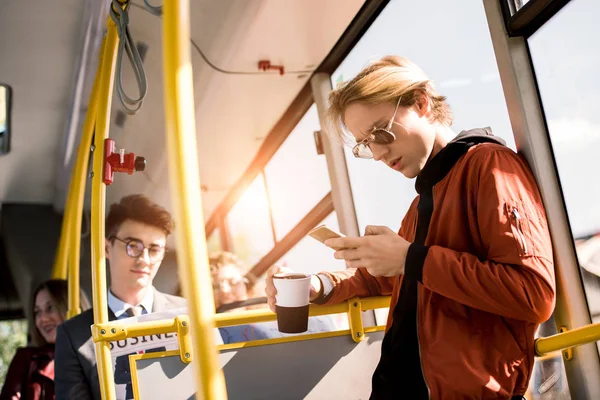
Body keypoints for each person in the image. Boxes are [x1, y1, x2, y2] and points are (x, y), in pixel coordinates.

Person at [265, 56, 555, 399]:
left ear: (421, 103)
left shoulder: (489, 165)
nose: (377, 153)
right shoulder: (423, 202)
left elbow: (532, 294)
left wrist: (411, 259)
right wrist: (319, 285)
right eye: (365, 143)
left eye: (380, 132)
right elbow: (386, 277)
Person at [54, 194, 186, 400]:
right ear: (107, 248)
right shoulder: (74, 335)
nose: (144, 260)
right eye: (133, 246)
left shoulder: (187, 314)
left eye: (154, 249)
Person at [1, 279, 90, 400]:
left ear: (70, 309)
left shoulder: (96, 358)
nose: (42, 319)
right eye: (37, 312)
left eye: (50, 308)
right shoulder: (27, 358)